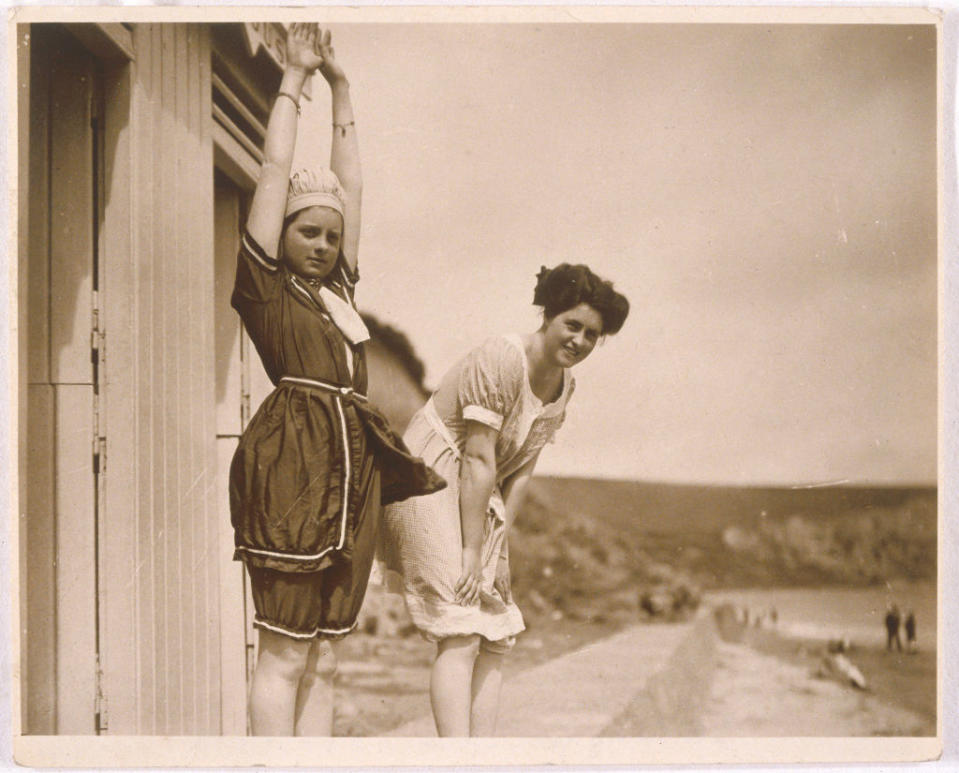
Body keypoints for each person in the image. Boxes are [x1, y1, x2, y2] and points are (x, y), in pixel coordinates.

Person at [228, 23, 444, 736]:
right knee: (284, 654)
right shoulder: (267, 287)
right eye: (306, 232)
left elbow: (350, 182)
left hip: (350, 479)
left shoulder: (340, 293)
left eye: (330, 234)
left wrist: (343, 87)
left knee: (325, 656)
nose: (321, 245)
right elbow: (269, 173)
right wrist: (293, 79)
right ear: (281, 235)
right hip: (292, 472)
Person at [382, 264, 629, 736]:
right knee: (459, 624)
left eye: (591, 335)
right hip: (427, 478)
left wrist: (495, 542)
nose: (578, 340)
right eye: (571, 325)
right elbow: (476, 456)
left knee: (495, 633)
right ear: (548, 315)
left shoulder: (564, 387)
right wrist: (470, 552)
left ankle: (482, 756)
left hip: (478, 489)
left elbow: (523, 469)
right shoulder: (501, 357)